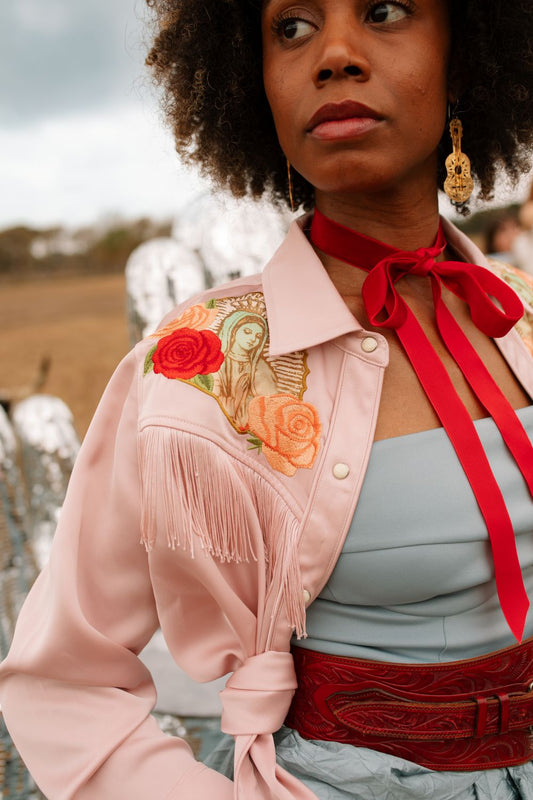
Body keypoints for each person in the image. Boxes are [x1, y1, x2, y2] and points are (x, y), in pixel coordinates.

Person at [1, 1, 533, 799]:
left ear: (465, 58)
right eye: (291, 27)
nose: (335, 55)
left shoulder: (523, 310)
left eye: (384, 10)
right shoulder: (195, 368)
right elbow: (64, 680)